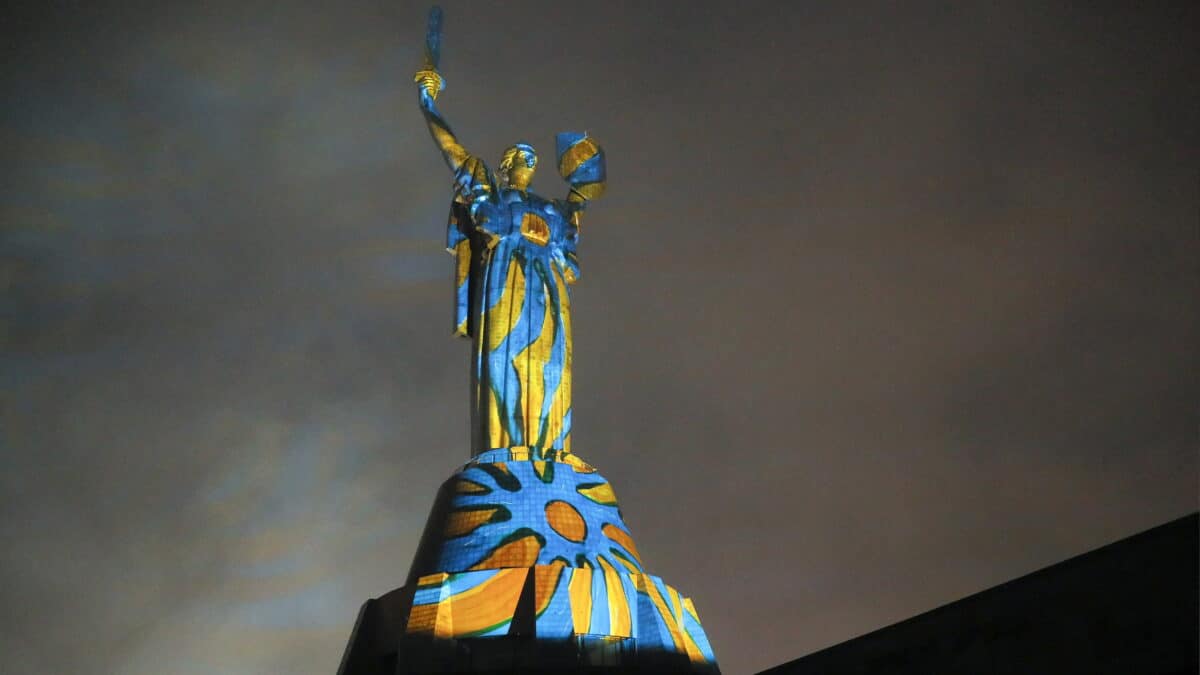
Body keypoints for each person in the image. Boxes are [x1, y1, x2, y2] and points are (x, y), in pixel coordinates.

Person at [414, 67, 606, 457]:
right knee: (503, 365)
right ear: (503, 167)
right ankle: (502, 453)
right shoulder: (490, 196)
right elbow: (452, 151)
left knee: (551, 369)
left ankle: (551, 455)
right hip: (504, 288)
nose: (527, 157)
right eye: (518, 155)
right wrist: (428, 102)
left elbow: (583, 199)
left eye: (530, 156)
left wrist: (586, 177)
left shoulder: (555, 212)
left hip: (548, 295)